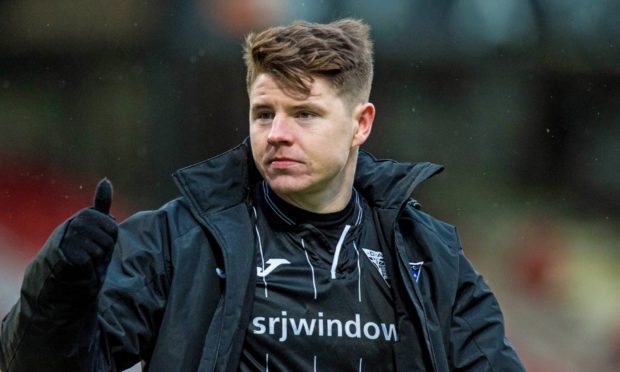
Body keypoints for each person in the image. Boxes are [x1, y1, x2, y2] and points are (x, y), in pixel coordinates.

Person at [0, 19, 524, 371]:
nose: (276, 133)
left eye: (304, 114)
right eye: (263, 112)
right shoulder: (177, 241)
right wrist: (60, 287)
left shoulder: (428, 257)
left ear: (361, 123)